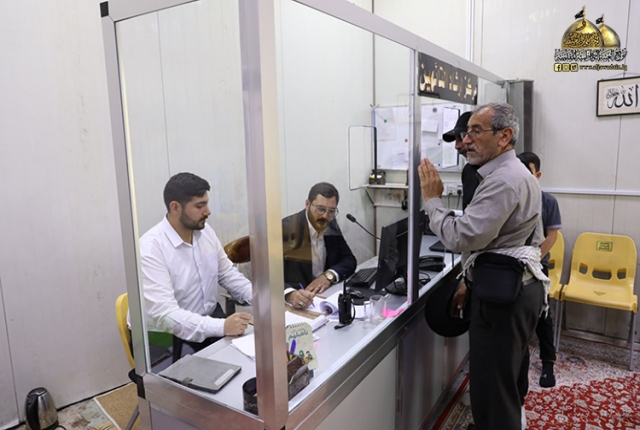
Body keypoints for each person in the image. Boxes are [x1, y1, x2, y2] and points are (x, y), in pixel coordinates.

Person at [419, 102, 548, 430]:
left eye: (476, 131)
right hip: (511, 287)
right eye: (467, 132)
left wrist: (432, 200)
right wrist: (470, 280)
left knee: (492, 391)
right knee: (499, 383)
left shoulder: (504, 180)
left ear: (504, 136)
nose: (466, 140)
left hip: (505, 297)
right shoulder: (510, 173)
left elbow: (460, 236)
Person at [139, 172, 253, 353]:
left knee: (253, 355)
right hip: (165, 336)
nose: (207, 211)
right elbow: (166, 315)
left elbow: (227, 274)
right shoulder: (151, 248)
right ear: (175, 207)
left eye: (206, 203)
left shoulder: (205, 232)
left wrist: (265, 299)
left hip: (207, 320)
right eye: (200, 206)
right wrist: (222, 326)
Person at [517, 151, 562, 388]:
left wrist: (534, 260)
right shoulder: (512, 198)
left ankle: (548, 362)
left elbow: (552, 236)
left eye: (528, 172)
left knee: (543, 315)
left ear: (538, 174)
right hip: (514, 266)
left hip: (537, 265)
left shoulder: (548, 201)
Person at [282, 182, 357, 309]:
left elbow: (349, 259)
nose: (325, 216)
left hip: (323, 298)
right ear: (307, 204)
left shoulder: (330, 223)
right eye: (320, 209)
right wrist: (290, 294)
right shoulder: (286, 228)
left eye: (331, 211)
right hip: (296, 304)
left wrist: (329, 276)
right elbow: (269, 276)